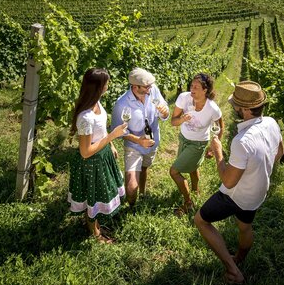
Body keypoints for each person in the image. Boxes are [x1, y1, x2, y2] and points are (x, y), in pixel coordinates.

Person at [194, 81, 284, 284]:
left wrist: (218, 153)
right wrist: (258, 170)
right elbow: (280, 153)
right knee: (245, 227)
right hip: (259, 191)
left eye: (235, 104)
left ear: (243, 109)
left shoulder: (242, 141)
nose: (233, 106)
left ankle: (233, 270)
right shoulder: (271, 122)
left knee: (200, 220)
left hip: (236, 195)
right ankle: (240, 259)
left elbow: (228, 181)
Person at [68, 68, 128, 243]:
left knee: (101, 192)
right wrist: (112, 136)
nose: (108, 85)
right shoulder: (85, 117)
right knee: (92, 197)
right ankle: (95, 233)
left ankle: (96, 224)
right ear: (99, 86)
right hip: (91, 162)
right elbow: (85, 152)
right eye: (106, 83)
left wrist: (110, 144)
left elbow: (100, 130)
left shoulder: (97, 103)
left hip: (103, 155)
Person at [111, 68, 169, 207]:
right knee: (131, 188)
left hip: (153, 142)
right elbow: (118, 131)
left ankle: (142, 194)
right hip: (134, 146)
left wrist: (165, 113)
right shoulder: (121, 104)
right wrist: (138, 140)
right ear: (135, 87)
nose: (150, 88)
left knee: (144, 168)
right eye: (146, 86)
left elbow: (163, 111)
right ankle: (131, 205)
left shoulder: (152, 90)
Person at [170, 73, 223, 215]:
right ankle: (195, 191)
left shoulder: (212, 108)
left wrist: (213, 147)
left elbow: (219, 126)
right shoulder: (184, 98)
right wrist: (182, 119)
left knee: (174, 171)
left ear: (205, 90)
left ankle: (188, 203)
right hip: (184, 138)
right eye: (191, 86)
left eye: (196, 87)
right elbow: (173, 121)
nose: (192, 89)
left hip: (199, 143)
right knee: (193, 168)